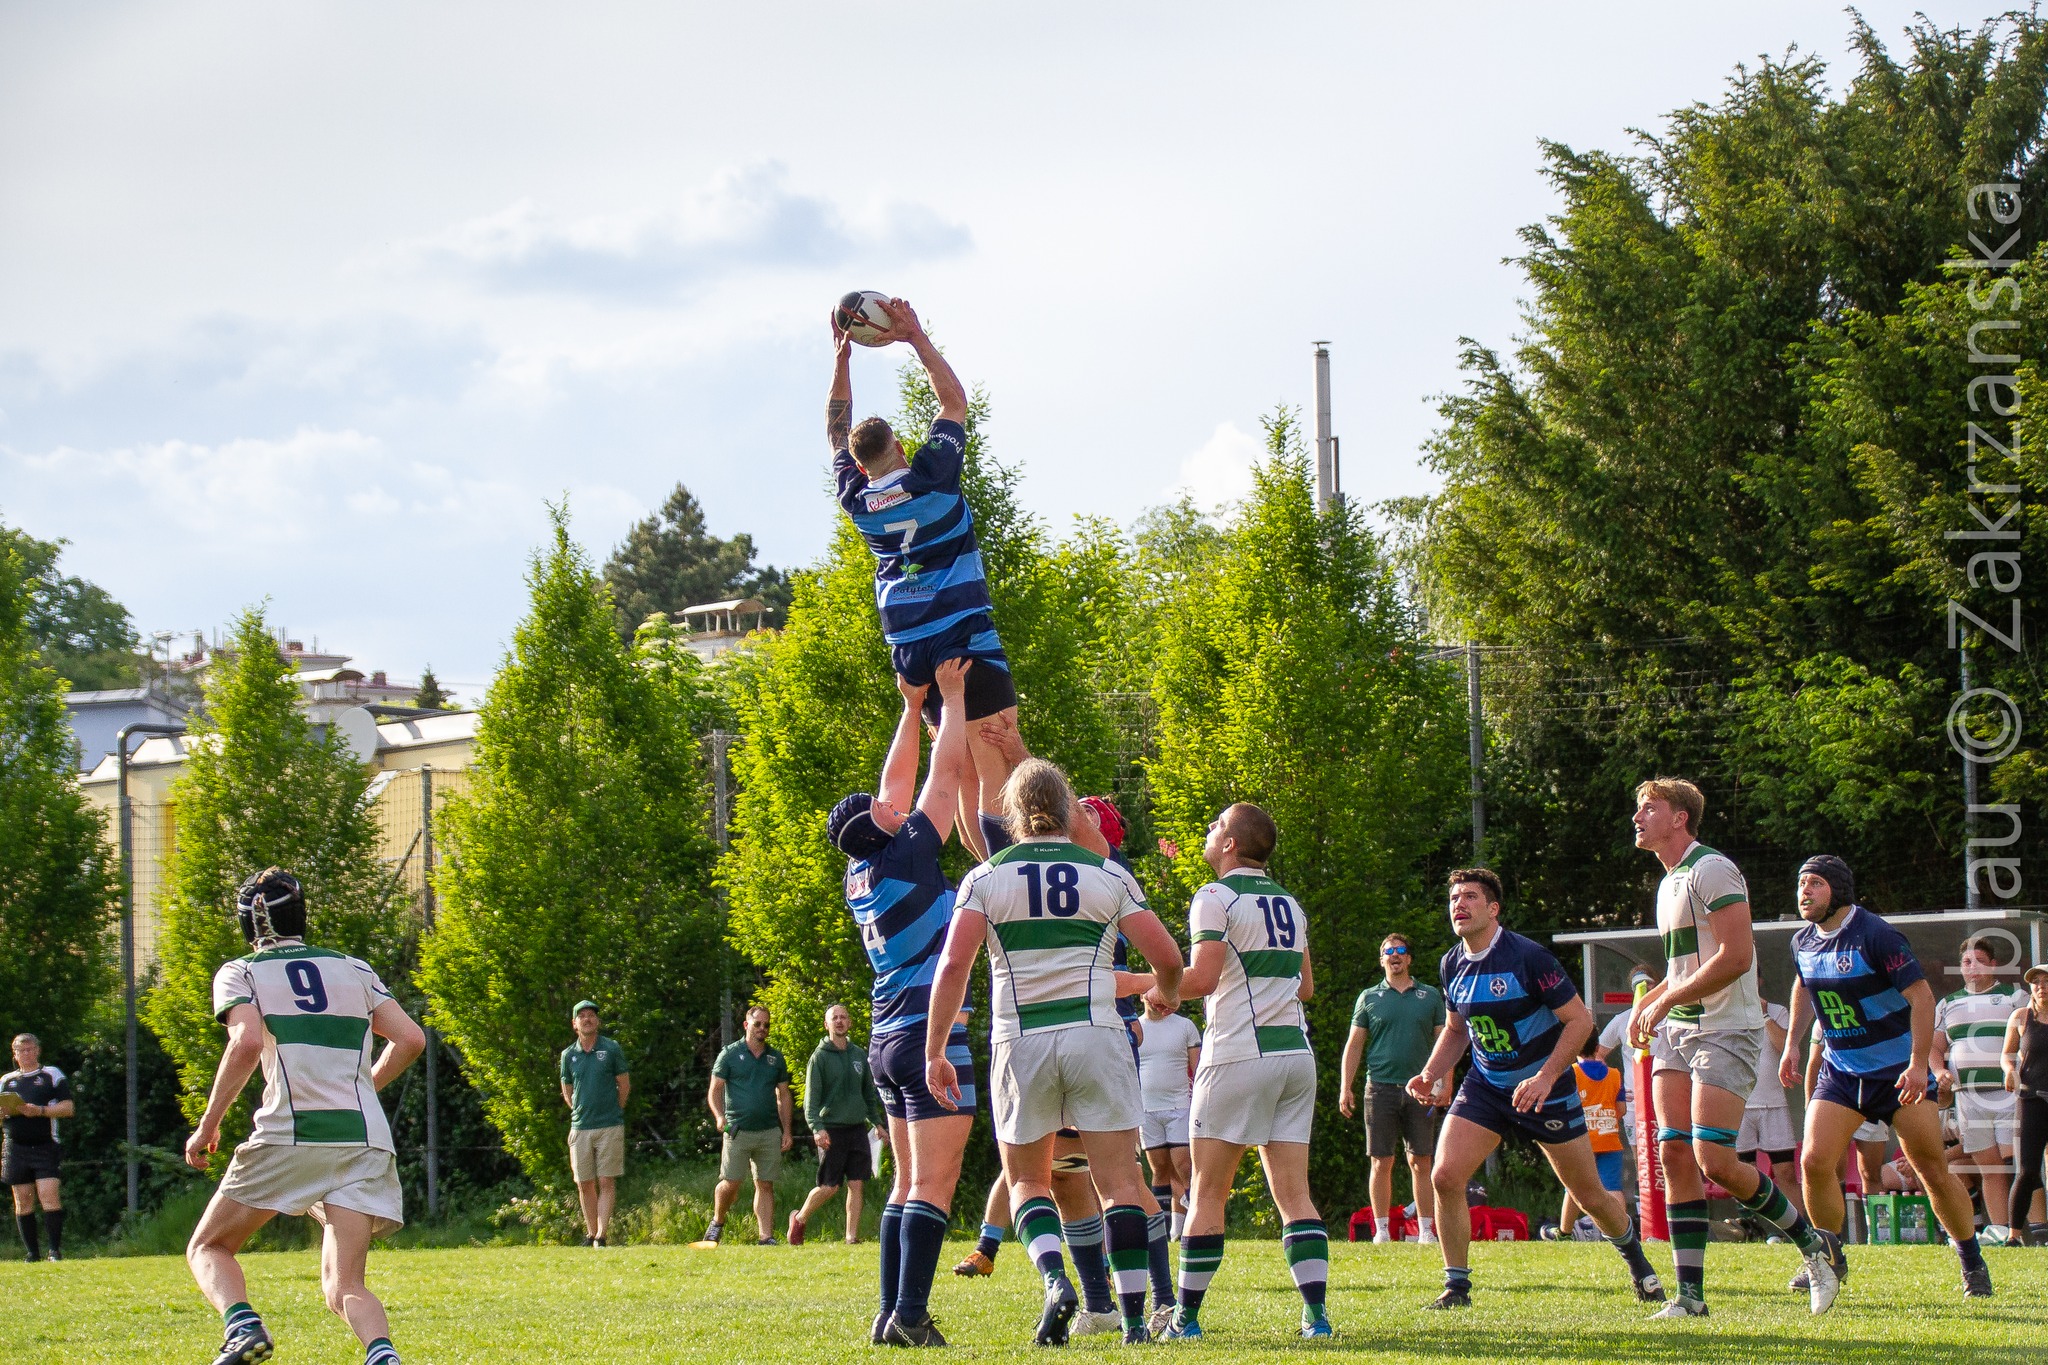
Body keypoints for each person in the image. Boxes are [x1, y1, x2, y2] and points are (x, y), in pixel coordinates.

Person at [924, 758, 1184, 1345]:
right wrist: (1164, 997)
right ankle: (1137, 1322)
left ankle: (1055, 1281)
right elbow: (1168, 958)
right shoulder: (1107, 875)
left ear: (1012, 815)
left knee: (1026, 1182)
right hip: (1098, 1036)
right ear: (1068, 810)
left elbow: (954, 965)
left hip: (1022, 1039)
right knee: (1121, 1184)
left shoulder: (985, 877)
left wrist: (935, 1048)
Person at [183, 868, 425, 1365]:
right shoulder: (354, 969)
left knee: (209, 1247)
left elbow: (246, 1041)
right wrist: (365, 1088)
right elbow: (411, 1039)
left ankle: (243, 1328)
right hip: (363, 1140)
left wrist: (209, 1124)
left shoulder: (242, 971)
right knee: (345, 1285)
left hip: (292, 1132)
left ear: (249, 923)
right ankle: (383, 1355)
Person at [1410, 867, 1665, 1311]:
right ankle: (1457, 1287)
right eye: (1454, 898)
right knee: (1445, 1176)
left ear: (1493, 909)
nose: (1459, 905)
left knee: (1589, 1195)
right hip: (1487, 1086)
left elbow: (1581, 1021)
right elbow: (1456, 1030)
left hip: (1547, 1089)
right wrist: (1430, 1073)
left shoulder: (1528, 957)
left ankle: (1637, 1260)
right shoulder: (1451, 962)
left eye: (1470, 897)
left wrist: (1546, 1076)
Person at [1627, 778, 1835, 1318]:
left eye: (1649, 808)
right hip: (1679, 1028)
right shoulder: (1668, 882)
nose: (1637, 817)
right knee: (1672, 1150)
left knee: (1714, 1159)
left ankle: (1813, 1248)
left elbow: (1737, 956)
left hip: (1727, 1029)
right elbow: (1683, 967)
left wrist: (1665, 998)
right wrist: (1652, 1004)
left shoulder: (1711, 868)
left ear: (1679, 818)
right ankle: (1690, 1298)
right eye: (1637, 809)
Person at [827, 298, 1017, 843]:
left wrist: (841, 362)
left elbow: (835, 429)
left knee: (955, 771)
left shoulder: (857, 500)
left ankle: (983, 880)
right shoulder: (933, 477)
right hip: (962, 637)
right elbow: (955, 401)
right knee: (993, 761)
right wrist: (914, 337)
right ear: (903, 448)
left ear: (861, 465)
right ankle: (1003, 890)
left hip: (911, 647)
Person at [831, 659, 976, 1345]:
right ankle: (912, 1315)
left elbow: (896, 788)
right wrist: (947, 702)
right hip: (930, 1036)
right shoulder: (911, 852)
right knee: (933, 1186)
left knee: (905, 1183)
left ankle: (890, 1312)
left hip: (888, 1038)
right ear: (883, 826)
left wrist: (907, 704)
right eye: (884, 809)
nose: (893, 801)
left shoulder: (865, 865)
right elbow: (942, 781)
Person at [1778, 854, 1994, 1299]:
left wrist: (1918, 1064)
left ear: (1837, 889)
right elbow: (1803, 984)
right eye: (1801, 884)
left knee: (1930, 1168)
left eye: (1814, 884)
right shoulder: (1803, 942)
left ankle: (1972, 1261)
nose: (1804, 892)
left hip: (1898, 1075)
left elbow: (1922, 997)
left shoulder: (1876, 935)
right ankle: (1827, 1259)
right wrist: (1792, 1044)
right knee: (1814, 1162)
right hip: (1842, 1072)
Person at [1155, 803, 1332, 1341]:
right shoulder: (1291, 903)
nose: (1208, 830)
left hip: (1236, 1056)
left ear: (1230, 845)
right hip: (1295, 1059)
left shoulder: (1215, 896)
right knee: (1294, 1195)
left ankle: (1185, 1321)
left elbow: (1202, 979)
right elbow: (1304, 989)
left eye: (1215, 826)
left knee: (1206, 1192)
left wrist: (1152, 987)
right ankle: (1317, 1319)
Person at [1337, 931, 1446, 1245]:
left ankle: (1426, 1230)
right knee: (1380, 1161)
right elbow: (1354, 1045)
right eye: (1389, 951)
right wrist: (1346, 1087)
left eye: (1400, 950)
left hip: (1421, 1089)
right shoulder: (1369, 997)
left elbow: (1445, 1042)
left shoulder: (1430, 996)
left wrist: (1443, 1083)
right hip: (1380, 1088)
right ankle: (1381, 1230)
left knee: (1421, 1160)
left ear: (1409, 958)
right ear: (1382, 959)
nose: (1395, 955)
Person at [1934, 937, 2024, 1236]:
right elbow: (1935, 1047)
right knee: (1989, 1167)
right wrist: (1938, 1071)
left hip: (2009, 1092)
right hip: (1968, 1096)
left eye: (1979, 960)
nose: (1972, 967)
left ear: (1993, 964)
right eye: (1966, 962)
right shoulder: (1948, 1003)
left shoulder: (2014, 996)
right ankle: (1999, 1231)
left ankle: (2029, 1230)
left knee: (2017, 1163)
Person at [789, 1003, 887, 1247]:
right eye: (835, 1018)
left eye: (844, 1017)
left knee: (857, 1183)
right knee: (830, 1187)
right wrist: (816, 1127)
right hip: (831, 1128)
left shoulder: (858, 1055)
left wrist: (877, 1123)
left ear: (850, 1023)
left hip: (856, 1129)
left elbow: (868, 1094)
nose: (840, 1021)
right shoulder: (819, 1058)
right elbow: (811, 1100)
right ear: (827, 1024)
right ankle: (799, 1219)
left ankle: (851, 1237)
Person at [706, 1007, 794, 1247]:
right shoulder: (730, 1054)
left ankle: (765, 1237)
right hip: (737, 1130)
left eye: (766, 1025)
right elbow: (715, 1089)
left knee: (765, 1184)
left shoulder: (775, 1058)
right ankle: (717, 1221)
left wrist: (786, 1130)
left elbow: (784, 1096)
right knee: (730, 1182)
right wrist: (719, 1117)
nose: (762, 1029)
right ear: (746, 1025)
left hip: (768, 1131)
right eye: (757, 1024)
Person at [558, 1000, 630, 1247]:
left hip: (609, 1125)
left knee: (606, 1180)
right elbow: (567, 1090)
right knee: (583, 1182)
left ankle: (602, 1234)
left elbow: (624, 1085)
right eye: (582, 1016)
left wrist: (613, 1110)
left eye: (591, 1015)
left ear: (597, 1021)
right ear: (574, 1023)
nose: (587, 1019)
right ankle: (590, 1233)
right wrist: (579, 1111)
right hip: (580, 1128)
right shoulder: (568, 1055)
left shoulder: (611, 1049)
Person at [2, 1033, 72, 1262]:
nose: (26, 1054)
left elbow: (68, 1108)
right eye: (21, 1051)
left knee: (48, 1195)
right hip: (15, 1147)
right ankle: (32, 1253)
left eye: (30, 1049)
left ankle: (54, 1251)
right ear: (15, 1054)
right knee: (22, 1199)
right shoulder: (6, 1081)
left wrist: (39, 1111)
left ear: (38, 1051)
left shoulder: (51, 1074)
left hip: (45, 1145)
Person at [1136, 996, 1200, 1240]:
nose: (1158, 1001)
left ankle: (1196, 1224)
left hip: (1179, 1107)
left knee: (1184, 1167)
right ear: (1143, 995)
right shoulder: (1135, 1028)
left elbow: (1198, 1068)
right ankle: (1163, 1232)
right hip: (1147, 1110)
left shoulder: (1184, 1026)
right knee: (1160, 1169)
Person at [1552, 1035, 1627, 1237]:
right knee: (1613, 1188)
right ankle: (1622, 1233)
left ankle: (1564, 1232)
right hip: (1609, 1138)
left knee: (1574, 1187)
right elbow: (1621, 1108)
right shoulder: (1614, 1074)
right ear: (1597, 1047)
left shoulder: (1572, 1073)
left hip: (1582, 1141)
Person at [1736, 999, 1801, 1221]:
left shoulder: (1777, 1011)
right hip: (1738, 1104)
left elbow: (1787, 1048)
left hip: (1773, 1103)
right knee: (1744, 1173)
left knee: (1786, 1172)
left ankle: (1799, 1229)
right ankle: (1750, 1229)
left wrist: (1764, 1016)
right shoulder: (1724, 1009)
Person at [1999, 964, 2048, 1243]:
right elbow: (2007, 1054)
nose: (2042, 987)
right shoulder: (2021, 1017)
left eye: (2046, 981)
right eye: (2037, 982)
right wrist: (2009, 1070)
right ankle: (2014, 1235)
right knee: (2027, 1170)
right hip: (2031, 1099)